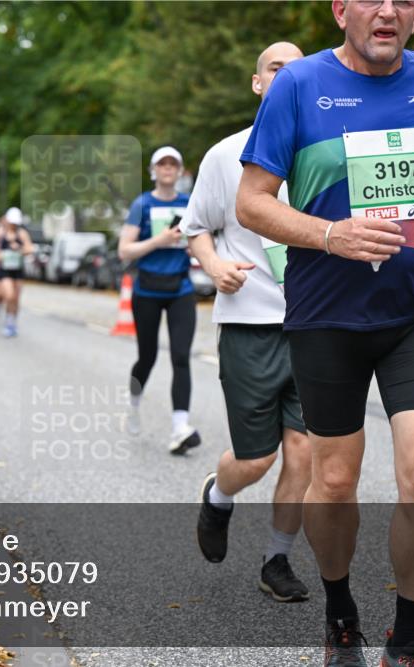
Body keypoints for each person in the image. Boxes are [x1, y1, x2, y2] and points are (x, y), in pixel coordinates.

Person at [235, 2, 414, 665]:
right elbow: (252, 201)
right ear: (341, 9)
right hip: (327, 313)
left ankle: (407, 640)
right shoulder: (298, 84)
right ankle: (341, 611)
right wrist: (328, 234)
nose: (386, 10)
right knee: (336, 479)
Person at [182, 41, 312, 604]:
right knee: (256, 459)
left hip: (314, 327)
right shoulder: (225, 154)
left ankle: (277, 559)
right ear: (257, 83)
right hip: (250, 326)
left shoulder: (323, 153)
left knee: (305, 453)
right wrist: (213, 266)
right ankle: (219, 495)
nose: (287, 76)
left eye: (296, 69)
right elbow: (197, 227)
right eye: (275, 68)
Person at [117, 146, 199, 456]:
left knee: (181, 356)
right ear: (154, 170)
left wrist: (195, 248)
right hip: (147, 291)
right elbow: (124, 251)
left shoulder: (189, 203)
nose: (167, 168)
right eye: (162, 163)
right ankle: (134, 404)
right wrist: (159, 241)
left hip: (180, 289)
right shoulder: (142, 204)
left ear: (180, 171)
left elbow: (202, 239)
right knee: (148, 356)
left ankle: (180, 428)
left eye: (173, 163)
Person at [0, 207, 34, 338]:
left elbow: (29, 248)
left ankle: (12, 322)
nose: (13, 224)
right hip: (5, 270)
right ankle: (8, 321)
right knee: (9, 296)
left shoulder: (22, 233)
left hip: (18, 270)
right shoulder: (0, 233)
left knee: (16, 298)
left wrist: (19, 249)